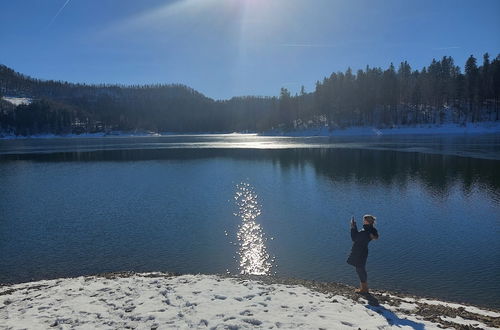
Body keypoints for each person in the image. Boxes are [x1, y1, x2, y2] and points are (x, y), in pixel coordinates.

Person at [347, 214, 379, 294]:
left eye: (364, 220)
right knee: (360, 269)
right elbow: (376, 236)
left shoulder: (366, 230)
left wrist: (353, 227)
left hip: (360, 251)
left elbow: (354, 238)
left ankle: (364, 289)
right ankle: (364, 288)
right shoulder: (370, 229)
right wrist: (354, 227)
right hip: (362, 251)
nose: (363, 221)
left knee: (360, 269)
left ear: (367, 221)